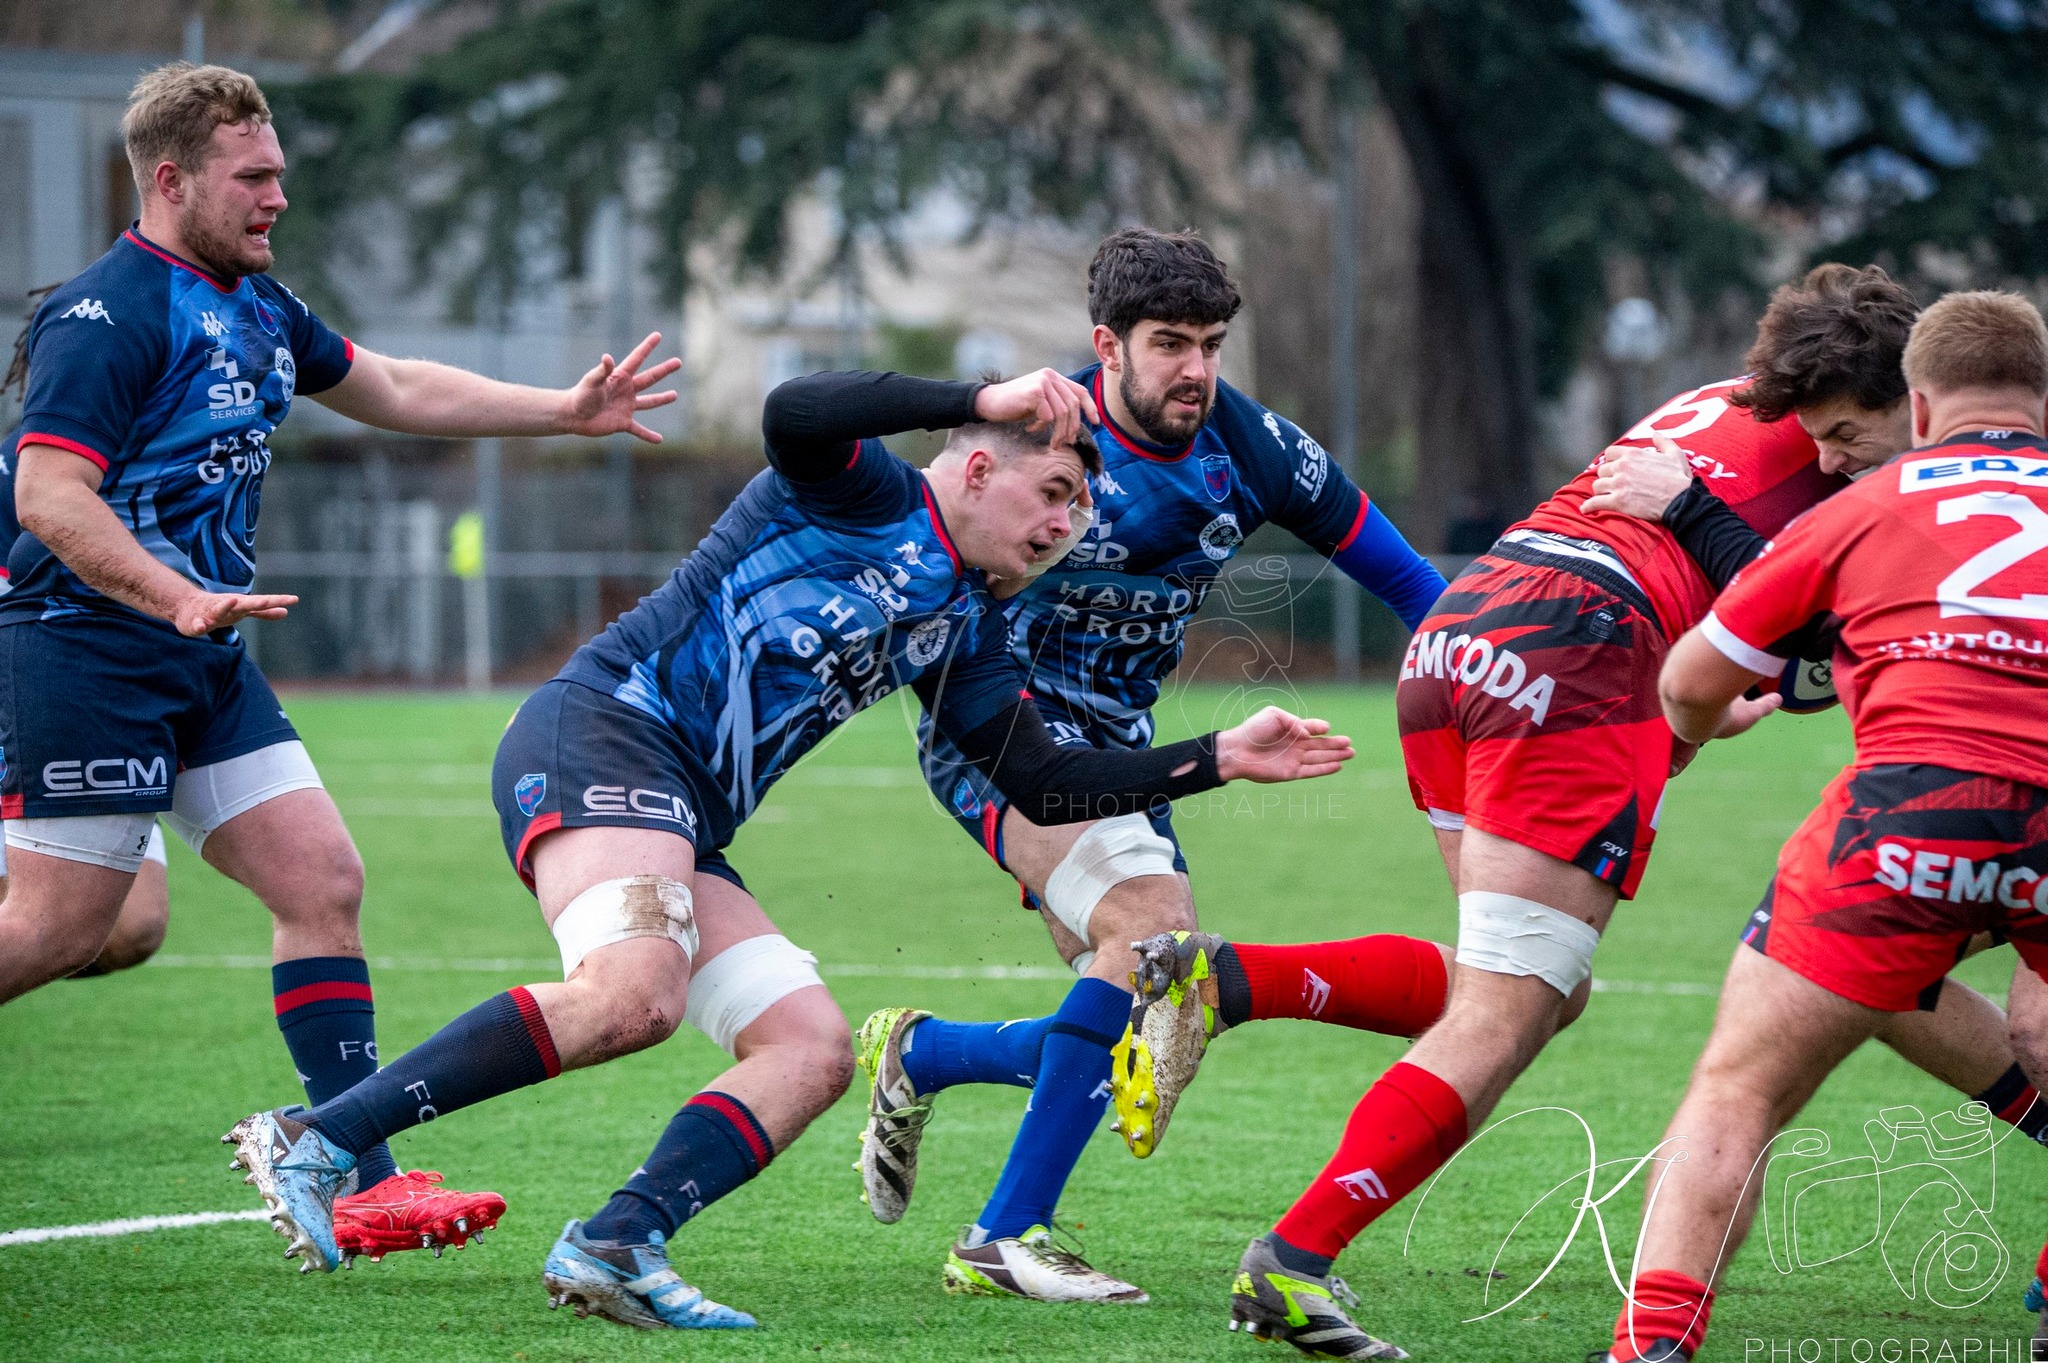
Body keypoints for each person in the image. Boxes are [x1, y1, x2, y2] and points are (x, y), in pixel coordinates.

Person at [222, 364, 1357, 1330]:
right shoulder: (864, 491)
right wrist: (976, 391)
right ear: (975, 467)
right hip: (605, 730)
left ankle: (618, 1240)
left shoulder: (966, 628)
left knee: (809, 1050)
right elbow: (795, 410)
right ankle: (320, 1136)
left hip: (682, 812)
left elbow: (1044, 779)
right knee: (633, 993)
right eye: (1052, 494)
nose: (1064, 528)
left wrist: (1218, 756)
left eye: (1077, 512)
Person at [1119, 265, 2042, 1359]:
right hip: (1583, 647)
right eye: (1833, 435)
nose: (1836, 456)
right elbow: (1816, 643)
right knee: (1510, 1006)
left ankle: (1234, 980)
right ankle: (1291, 1261)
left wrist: (1691, 692)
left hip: (1467, 629)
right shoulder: (1888, 477)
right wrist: (1701, 663)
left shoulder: (1734, 398)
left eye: (1848, 438)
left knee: (1525, 989)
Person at [0, 61, 682, 1262]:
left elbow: (393, 383)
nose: (276, 197)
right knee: (66, 929)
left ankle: (356, 1177)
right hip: (85, 646)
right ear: (171, 181)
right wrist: (175, 594)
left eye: (279, 174)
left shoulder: (259, 306)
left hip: (200, 649)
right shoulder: (109, 316)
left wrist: (562, 410)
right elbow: (50, 496)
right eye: (251, 177)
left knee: (320, 882)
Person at [850, 227, 1446, 1304]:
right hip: (1000, 732)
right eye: (1169, 343)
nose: (1194, 369)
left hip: (1123, 749)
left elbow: (1413, 587)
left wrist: (1497, 675)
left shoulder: (1256, 449)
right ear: (1105, 346)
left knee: (1138, 1011)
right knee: (1153, 936)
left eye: (1210, 344)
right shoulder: (1035, 435)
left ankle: (923, 1054)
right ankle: (1004, 1236)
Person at [1599, 288, 2048, 1363]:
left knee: (1739, 1086)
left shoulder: (1861, 507)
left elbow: (1689, 680)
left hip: (1901, 822)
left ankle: (1651, 1345)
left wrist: (1701, 725)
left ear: (1919, 406)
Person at [0, 422, 170, 975]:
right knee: (42, 925)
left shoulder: (169, 445)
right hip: (36, 690)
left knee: (133, 929)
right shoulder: (33, 460)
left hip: (106, 693)